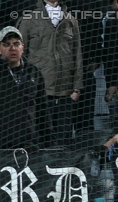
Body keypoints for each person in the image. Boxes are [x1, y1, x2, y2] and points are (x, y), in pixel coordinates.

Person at [17, 0, 83, 146]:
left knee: (63, 142)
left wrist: (76, 88)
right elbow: (20, 55)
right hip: (39, 94)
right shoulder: (29, 19)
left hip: (65, 94)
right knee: (39, 140)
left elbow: (77, 54)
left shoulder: (71, 20)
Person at [0, 26, 51, 150]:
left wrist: (49, 142)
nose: (12, 48)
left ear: (23, 46)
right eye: (7, 44)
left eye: (16, 44)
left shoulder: (34, 72)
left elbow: (42, 109)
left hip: (29, 145)